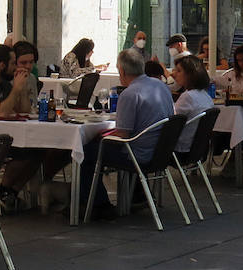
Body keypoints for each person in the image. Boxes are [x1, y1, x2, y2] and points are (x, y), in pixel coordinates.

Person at [79, 49, 173, 220]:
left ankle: (98, 204)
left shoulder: (130, 94)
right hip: (161, 150)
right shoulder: (160, 86)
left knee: (85, 152)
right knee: (99, 145)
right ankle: (136, 194)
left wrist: (101, 134)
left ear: (122, 71)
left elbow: (122, 134)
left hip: (138, 154)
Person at [172, 56, 214, 120]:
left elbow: (172, 119)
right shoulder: (205, 95)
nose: (174, 74)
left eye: (179, 71)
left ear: (190, 74)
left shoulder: (188, 96)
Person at [11, 41, 40, 112]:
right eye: (23, 63)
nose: (28, 66)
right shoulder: (8, 79)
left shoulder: (32, 78)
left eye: (31, 62)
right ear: (14, 62)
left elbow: (32, 106)